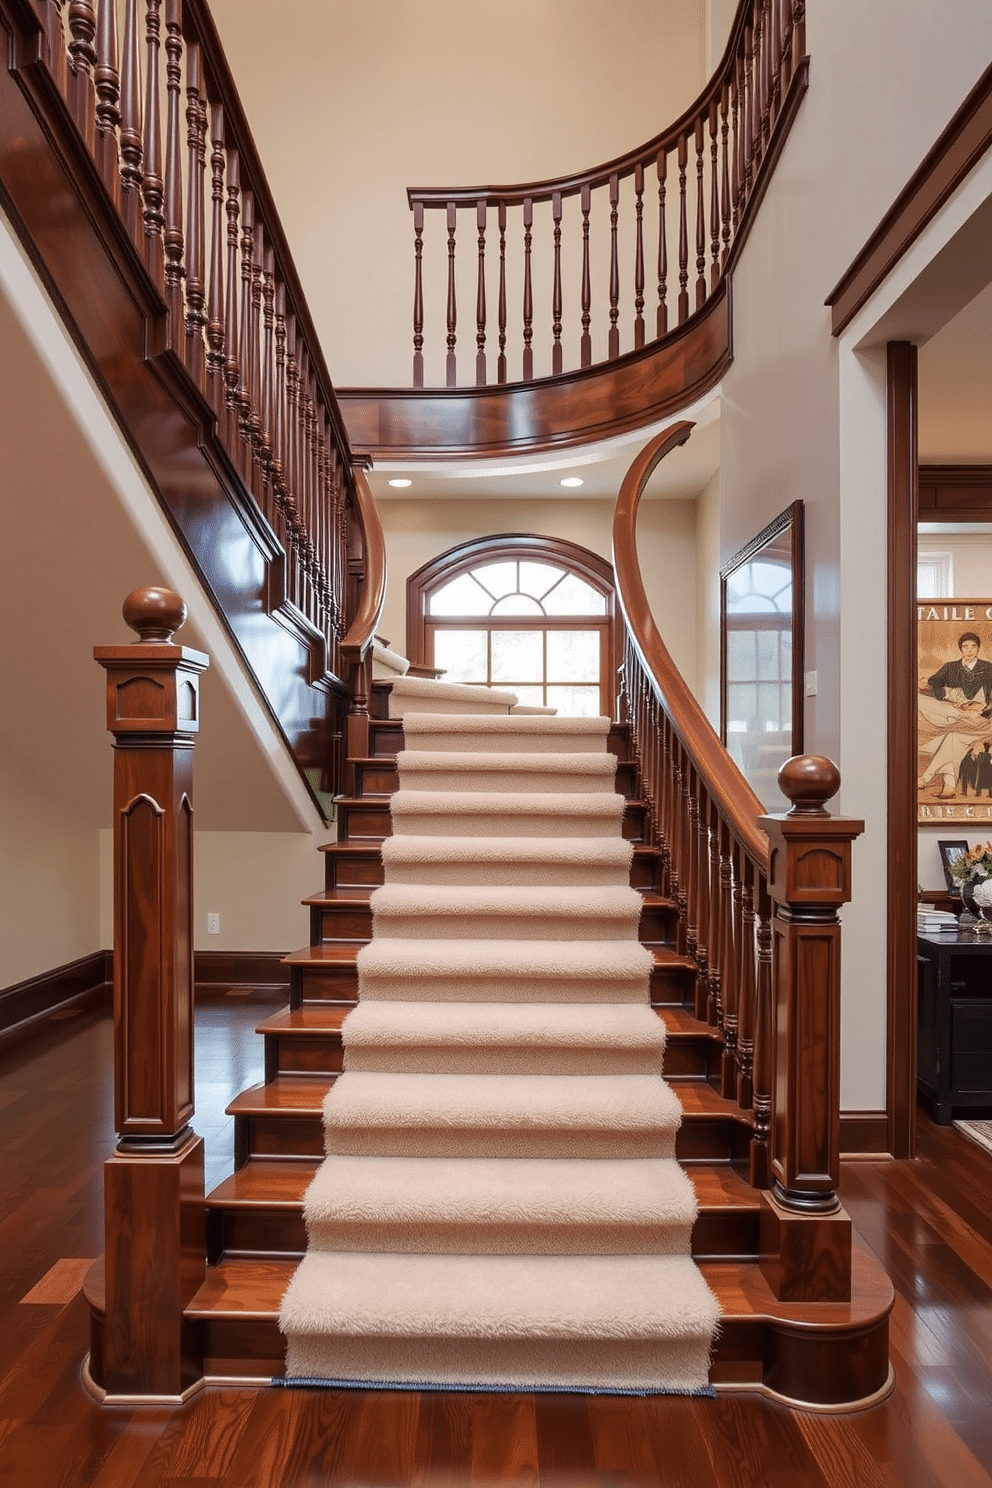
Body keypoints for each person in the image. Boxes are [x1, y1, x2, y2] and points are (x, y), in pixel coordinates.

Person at [918, 632, 992, 799]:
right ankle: (948, 787)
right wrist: (928, 685)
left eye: (973, 646)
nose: (970, 650)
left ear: (978, 648)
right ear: (961, 649)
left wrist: (982, 711)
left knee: (951, 736)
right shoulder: (951, 667)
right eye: (966, 646)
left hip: (982, 721)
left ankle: (926, 779)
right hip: (959, 715)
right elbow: (935, 683)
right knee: (952, 735)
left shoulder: (988, 668)